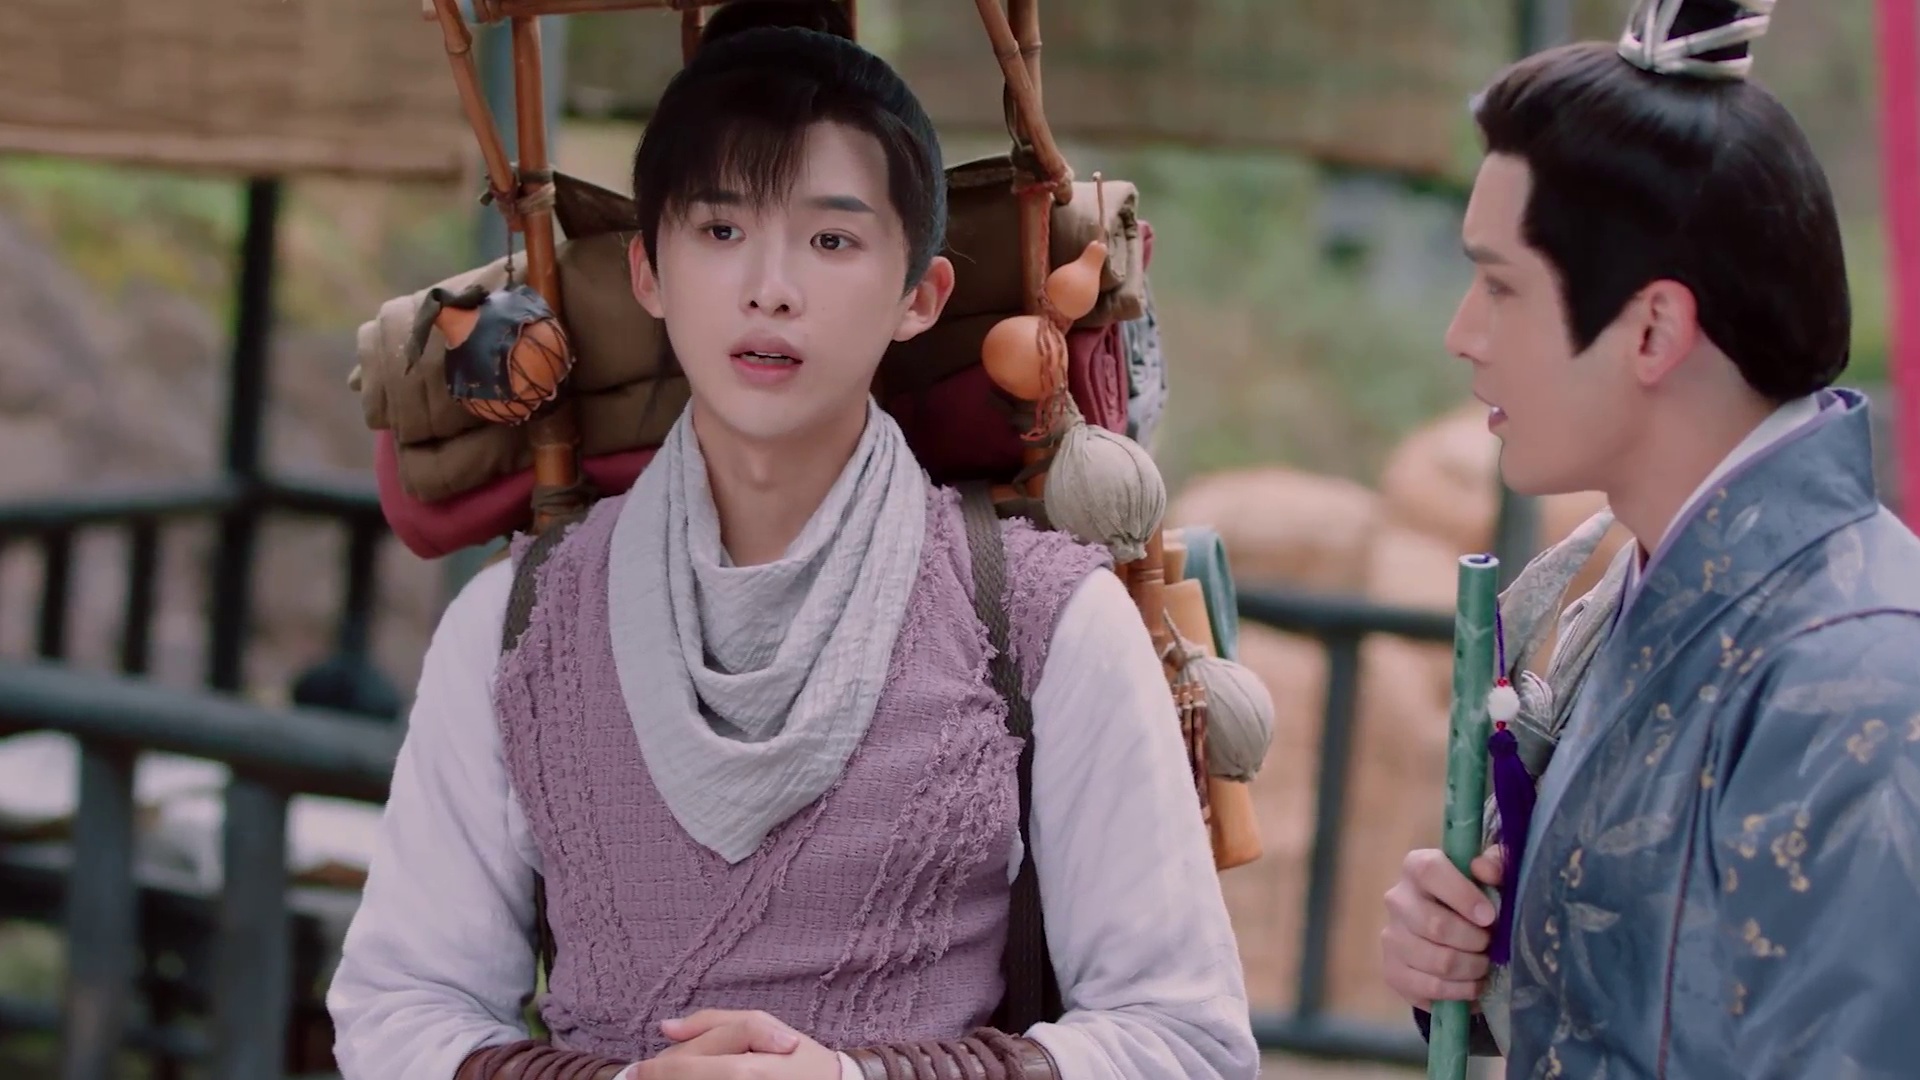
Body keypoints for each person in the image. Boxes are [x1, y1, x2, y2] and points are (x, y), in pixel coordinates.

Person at [327, 10, 1258, 1080]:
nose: (770, 287)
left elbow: (1184, 1038)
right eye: (722, 232)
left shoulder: (1042, 620)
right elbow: (398, 1013)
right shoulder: (516, 626)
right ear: (647, 273)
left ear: (921, 296)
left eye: (831, 240)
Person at [1380, 0, 1920, 1075]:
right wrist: (1481, 970)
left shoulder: (1859, 677)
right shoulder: (1624, 589)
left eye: (1500, 286)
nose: (1463, 334)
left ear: (1655, 328)